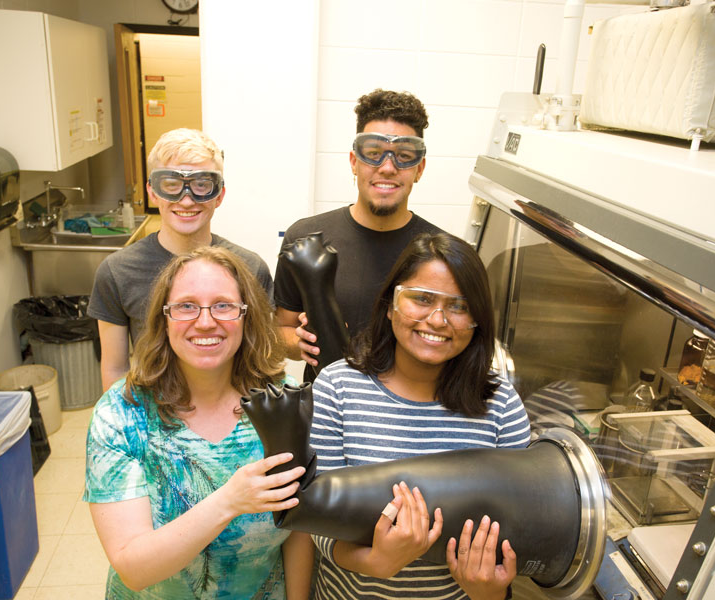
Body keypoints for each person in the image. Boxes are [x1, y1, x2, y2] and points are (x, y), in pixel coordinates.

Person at [309, 232, 532, 599]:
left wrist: (488, 591)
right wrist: (375, 562)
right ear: (390, 304)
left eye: (459, 306)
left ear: (477, 320)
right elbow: (318, 518)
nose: (438, 319)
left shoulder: (501, 406)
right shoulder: (337, 387)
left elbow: (517, 527)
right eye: (422, 299)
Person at [84, 246, 312, 599]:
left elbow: (299, 531)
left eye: (223, 305)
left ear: (246, 316)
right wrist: (230, 501)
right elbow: (133, 569)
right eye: (186, 306)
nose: (205, 321)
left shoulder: (287, 405)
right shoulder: (122, 413)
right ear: (164, 319)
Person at [275, 89, 443, 380]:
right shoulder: (305, 239)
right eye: (374, 154)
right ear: (354, 161)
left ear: (419, 169)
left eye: (404, 156)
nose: (388, 168)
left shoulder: (439, 252)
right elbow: (280, 331)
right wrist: (298, 341)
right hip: (325, 413)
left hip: (407, 414)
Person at [90, 128, 273, 390]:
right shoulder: (117, 272)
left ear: (219, 195)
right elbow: (115, 369)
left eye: (201, 186)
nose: (187, 200)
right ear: (153, 192)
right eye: (172, 185)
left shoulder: (250, 269)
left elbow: (259, 362)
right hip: (153, 417)